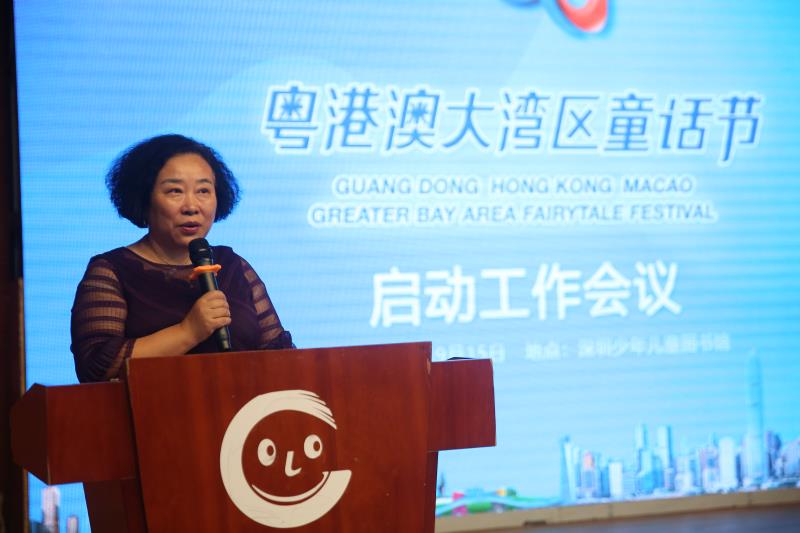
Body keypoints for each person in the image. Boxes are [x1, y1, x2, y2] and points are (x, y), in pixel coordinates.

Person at [71, 134, 293, 383]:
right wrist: (188, 331)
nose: (191, 206)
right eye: (175, 191)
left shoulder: (233, 265)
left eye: (203, 191)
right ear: (144, 198)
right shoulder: (112, 271)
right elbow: (96, 367)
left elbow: (281, 356)